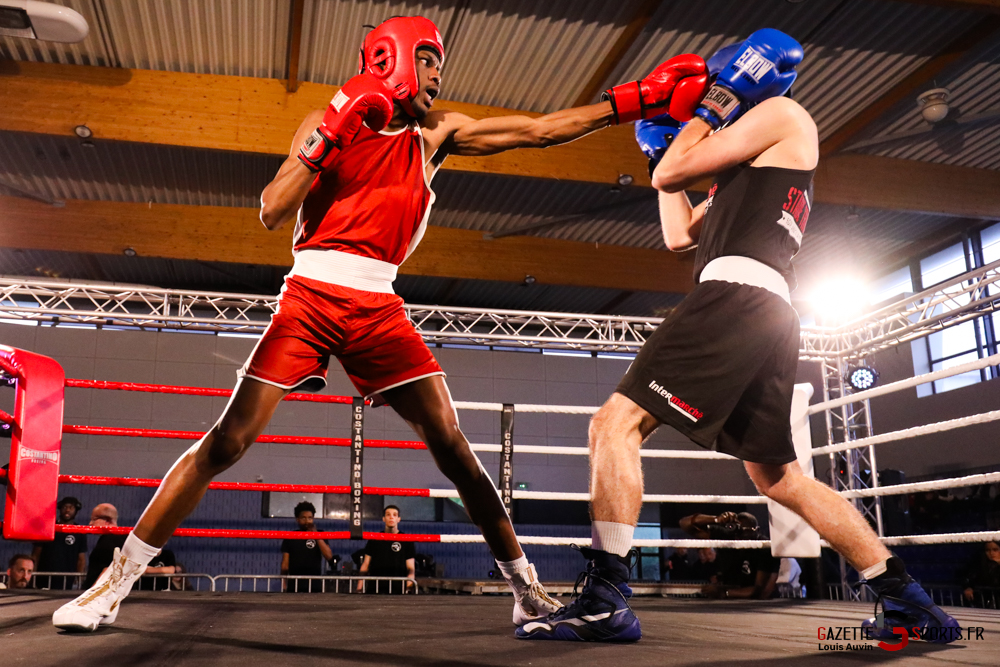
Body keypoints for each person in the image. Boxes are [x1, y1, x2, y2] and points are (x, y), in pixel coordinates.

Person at [53, 15, 711, 632]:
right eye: (426, 59)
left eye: (439, 63)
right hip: (310, 295)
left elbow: (539, 130)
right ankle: (112, 583)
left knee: (453, 446)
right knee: (228, 441)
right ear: (388, 57)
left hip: (379, 306)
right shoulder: (326, 118)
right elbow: (272, 208)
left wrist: (635, 100)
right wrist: (332, 132)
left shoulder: (436, 134)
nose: (436, 74)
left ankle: (525, 589)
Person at [518, 29, 961, 644]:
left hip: (738, 293)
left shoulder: (784, 115)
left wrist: (705, 115)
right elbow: (678, 233)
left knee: (613, 424)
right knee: (779, 478)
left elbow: (675, 170)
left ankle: (604, 600)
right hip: (766, 309)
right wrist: (661, 151)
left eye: (718, 92)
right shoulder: (743, 168)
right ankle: (911, 603)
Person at [680, 512, 780, 600]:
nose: (742, 536)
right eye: (739, 530)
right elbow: (684, 524)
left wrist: (724, 593)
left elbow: (759, 590)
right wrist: (716, 519)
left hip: (753, 601)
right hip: (729, 594)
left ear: (757, 530)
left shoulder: (763, 547)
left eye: (746, 530)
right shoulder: (727, 536)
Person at [357, 505, 416, 594]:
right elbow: (365, 564)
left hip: (398, 590)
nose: (391, 517)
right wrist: (359, 588)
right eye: (388, 515)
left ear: (399, 519)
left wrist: (409, 588)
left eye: (394, 515)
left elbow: (410, 568)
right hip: (375, 589)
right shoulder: (374, 539)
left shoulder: (407, 540)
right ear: (383, 518)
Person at [32, 496, 87, 590]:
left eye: (71, 507)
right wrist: (33, 574)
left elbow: (81, 559)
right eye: (65, 507)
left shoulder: (80, 531)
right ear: (60, 509)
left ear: (76, 510)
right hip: (44, 577)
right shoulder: (48, 527)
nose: (67, 510)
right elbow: (36, 554)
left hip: (67, 579)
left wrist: (79, 578)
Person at [280, 501, 334, 593]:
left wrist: (316, 534)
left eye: (310, 518)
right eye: (303, 518)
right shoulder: (290, 536)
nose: (307, 521)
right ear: (297, 519)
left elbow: (329, 556)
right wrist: (284, 583)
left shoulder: (320, 534)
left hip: (314, 584)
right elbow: (285, 564)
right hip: (294, 584)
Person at [82, 503, 126, 589]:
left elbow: (108, 570)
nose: (90, 523)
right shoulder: (122, 538)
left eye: (94, 520)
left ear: (107, 521)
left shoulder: (109, 540)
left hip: (101, 593)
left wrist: (92, 593)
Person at [962, 540, 1000, 608]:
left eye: (995, 550)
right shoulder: (980, 565)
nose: (991, 553)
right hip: (987, 603)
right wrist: (968, 587)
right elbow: (970, 578)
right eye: (987, 550)